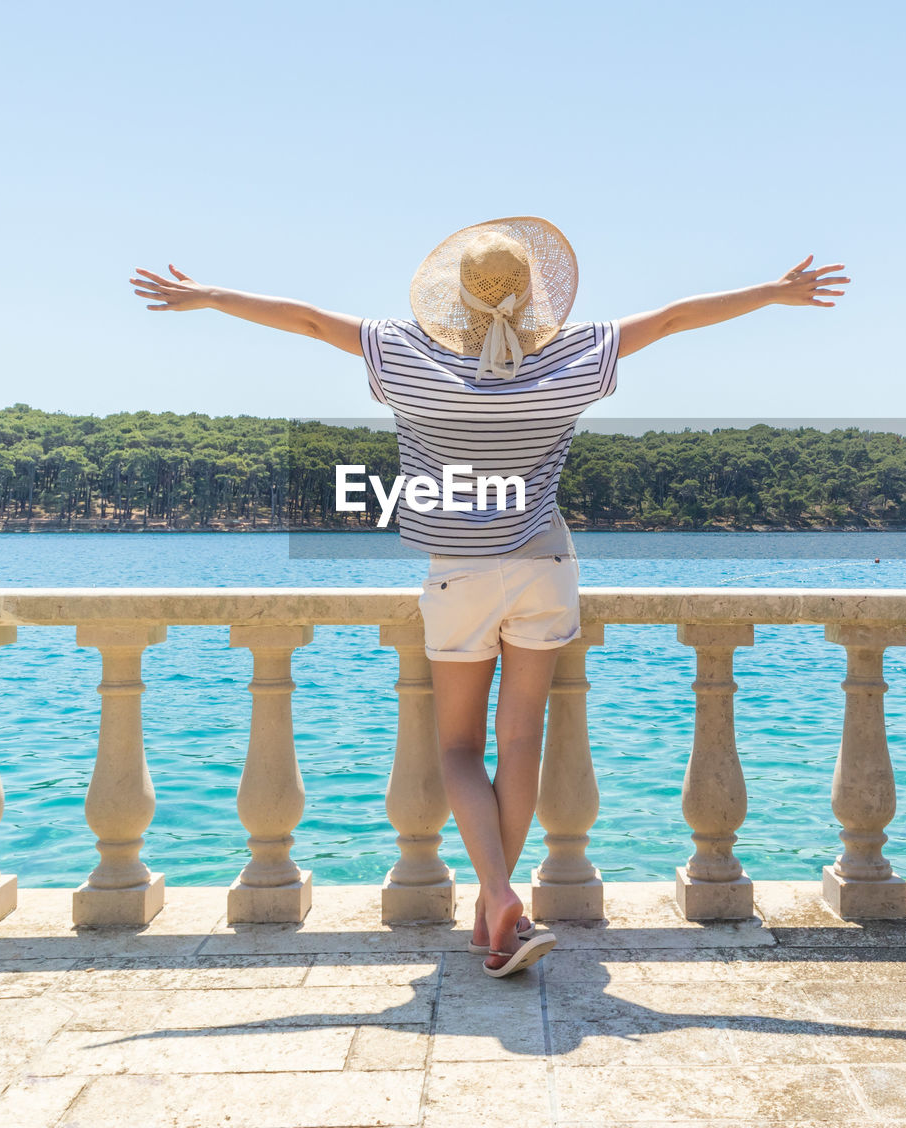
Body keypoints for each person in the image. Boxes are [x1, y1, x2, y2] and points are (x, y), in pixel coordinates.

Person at [132, 216, 847, 977]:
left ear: (456, 297)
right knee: (521, 744)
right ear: (536, 296)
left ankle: (499, 895)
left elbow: (305, 320)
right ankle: (494, 912)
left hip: (458, 572)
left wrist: (209, 295)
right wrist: (773, 293)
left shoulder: (405, 354)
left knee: (457, 749)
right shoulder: (575, 356)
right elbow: (674, 317)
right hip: (544, 564)